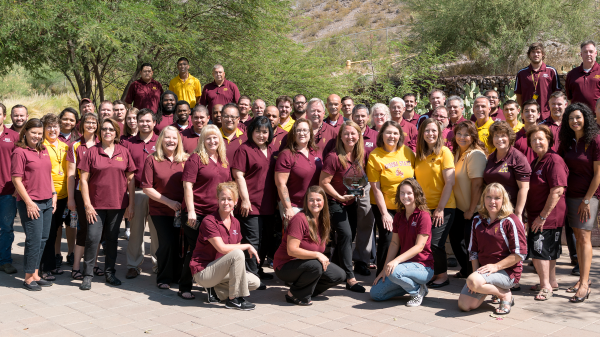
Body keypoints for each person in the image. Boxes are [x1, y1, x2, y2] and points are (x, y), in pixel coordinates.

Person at [78, 118, 136, 290]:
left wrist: (131, 204)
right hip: (96, 205)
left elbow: (131, 180)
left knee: (111, 240)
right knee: (93, 238)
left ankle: (110, 273)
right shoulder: (91, 152)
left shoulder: (124, 152)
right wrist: (87, 205)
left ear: (116, 132)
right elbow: (83, 179)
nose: (107, 132)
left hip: (118, 205)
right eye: (104, 129)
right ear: (99, 132)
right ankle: (87, 275)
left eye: (111, 129)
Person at [457, 183, 527, 315]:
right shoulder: (477, 219)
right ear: (483, 199)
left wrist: (495, 267)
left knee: (473, 281)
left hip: (507, 272)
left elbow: (519, 254)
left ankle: (504, 294)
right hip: (485, 272)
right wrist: (475, 276)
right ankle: (493, 290)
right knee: (464, 305)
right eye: (488, 197)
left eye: (497, 198)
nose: (492, 201)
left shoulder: (511, 220)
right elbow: (473, 252)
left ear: (504, 200)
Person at [190, 182, 260, 309]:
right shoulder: (209, 221)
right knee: (238, 253)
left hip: (221, 270)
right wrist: (247, 246)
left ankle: (216, 291)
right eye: (222, 199)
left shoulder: (236, 222)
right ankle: (234, 299)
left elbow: (235, 248)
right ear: (217, 200)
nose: (226, 202)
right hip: (204, 272)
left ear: (236, 202)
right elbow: (222, 248)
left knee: (255, 282)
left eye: (229, 199)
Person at [181, 125, 231, 300]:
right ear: (202, 140)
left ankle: (211, 287)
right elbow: (188, 186)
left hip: (216, 215)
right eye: (208, 138)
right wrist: (191, 211)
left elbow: (228, 188)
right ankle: (184, 286)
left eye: (215, 137)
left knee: (215, 250)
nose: (212, 141)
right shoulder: (195, 159)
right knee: (195, 250)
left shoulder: (223, 160)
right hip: (198, 213)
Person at [273, 186, 345, 305]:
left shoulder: (323, 220)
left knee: (339, 275)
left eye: (318, 200)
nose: (315, 203)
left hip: (306, 264)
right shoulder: (299, 219)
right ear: (306, 201)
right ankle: (294, 295)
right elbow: (291, 251)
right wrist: (317, 254)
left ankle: (304, 290)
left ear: (324, 202)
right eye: (311, 200)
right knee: (316, 265)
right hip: (285, 266)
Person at [370, 178, 434, 306]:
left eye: (409, 193)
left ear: (416, 193)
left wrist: (395, 261)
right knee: (376, 294)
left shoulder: (424, 216)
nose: (405, 196)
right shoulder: (399, 216)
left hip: (423, 267)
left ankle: (416, 291)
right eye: (402, 193)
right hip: (403, 268)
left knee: (394, 271)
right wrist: (384, 269)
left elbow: (419, 247)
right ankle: (411, 286)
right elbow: (394, 244)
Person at [559, 102, 599, 302]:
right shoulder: (566, 142)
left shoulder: (595, 141)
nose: (575, 121)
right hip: (570, 195)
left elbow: (599, 174)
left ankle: (584, 284)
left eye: (578, 117)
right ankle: (583, 279)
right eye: (571, 118)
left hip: (588, 196)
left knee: (584, 237)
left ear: (586, 118)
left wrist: (586, 200)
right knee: (576, 235)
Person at [320, 121, 366, 293]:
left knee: (349, 236)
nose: (350, 137)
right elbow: (323, 182)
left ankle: (337, 271)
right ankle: (350, 278)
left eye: (353, 133)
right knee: (345, 235)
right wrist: (339, 196)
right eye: (346, 134)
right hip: (335, 202)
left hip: (351, 202)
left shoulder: (360, 155)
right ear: (340, 136)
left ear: (359, 135)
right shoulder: (333, 157)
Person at [12, 119, 57, 290]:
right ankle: (28, 278)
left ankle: (36, 274)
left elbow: (49, 174)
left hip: (46, 201)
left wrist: (53, 194)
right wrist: (29, 203)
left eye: (39, 133)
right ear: (25, 132)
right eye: (34, 133)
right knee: (33, 240)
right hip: (31, 202)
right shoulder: (19, 152)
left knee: (43, 239)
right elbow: (16, 180)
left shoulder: (43, 149)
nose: (37, 136)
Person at [231, 117, 277, 285]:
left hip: (269, 203)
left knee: (266, 239)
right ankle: (251, 276)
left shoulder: (273, 150)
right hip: (250, 204)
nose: (261, 135)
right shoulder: (244, 149)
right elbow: (238, 175)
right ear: (251, 132)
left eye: (265, 132)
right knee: (252, 240)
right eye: (257, 131)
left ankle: (257, 269)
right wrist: (245, 199)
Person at [141, 126, 188, 290]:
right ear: (161, 139)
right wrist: (169, 202)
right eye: (167, 137)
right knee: (166, 242)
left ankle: (177, 275)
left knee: (179, 243)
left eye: (174, 138)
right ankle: (164, 277)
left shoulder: (186, 160)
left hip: (182, 211)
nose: (171, 141)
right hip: (160, 210)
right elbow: (147, 187)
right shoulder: (152, 159)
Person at [367, 121, 415, 274]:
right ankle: (382, 274)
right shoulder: (375, 155)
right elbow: (376, 188)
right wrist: (384, 214)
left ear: (400, 135)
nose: (392, 136)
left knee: (406, 239)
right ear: (382, 135)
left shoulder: (406, 151)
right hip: (385, 206)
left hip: (406, 205)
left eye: (395, 133)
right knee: (388, 239)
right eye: (388, 133)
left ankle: (399, 273)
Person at [526, 124, 568, 301]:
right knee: (547, 250)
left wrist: (542, 216)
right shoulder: (537, 160)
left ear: (549, 140)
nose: (537, 142)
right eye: (534, 139)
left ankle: (545, 286)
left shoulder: (554, 160)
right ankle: (551, 281)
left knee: (539, 250)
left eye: (540, 139)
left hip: (547, 215)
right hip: (538, 213)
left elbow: (557, 190)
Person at [414, 118, 456, 288]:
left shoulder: (444, 152)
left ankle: (443, 276)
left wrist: (440, 208)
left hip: (444, 206)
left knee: (436, 243)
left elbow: (450, 182)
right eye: (426, 131)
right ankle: (433, 272)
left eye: (433, 130)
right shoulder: (419, 155)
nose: (430, 134)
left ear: (439, 133)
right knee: (425, 243)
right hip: (424, 207)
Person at [121, 109, 159, 279]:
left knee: (157, 231)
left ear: (154, 123)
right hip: (135, 192)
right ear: (136, 122)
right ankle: (133, 264)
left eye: (148, 121)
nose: (145, 124)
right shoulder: (128, 143)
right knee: (136, 231)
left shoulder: (161, 141)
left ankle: (158, 264)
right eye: (141, 121)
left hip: (157, 194)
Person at [66, 113, 102, 280]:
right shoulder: (75, 146)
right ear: (82, 125)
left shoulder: (103, 143)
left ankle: (93, 265)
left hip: (100, 194)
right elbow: (71, 175)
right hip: (81, 193)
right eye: (87, 122)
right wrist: (71, 198)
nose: (91, 125)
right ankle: (76, 267)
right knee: (84, 229)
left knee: (96, 231)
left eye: (94, 122)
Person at [450, 121, 486, 279]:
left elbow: (477, 184)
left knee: (468, 244)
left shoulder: (475, 154)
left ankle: (473, 275)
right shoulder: (459, 152)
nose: (462, 137)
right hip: (458, 207)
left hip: (472, 209)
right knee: (456, 240)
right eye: (459, 133)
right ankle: (466, 270)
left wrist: (471, 210)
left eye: (466, 134)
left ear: (473, 137)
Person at [38, 114, 70, 280]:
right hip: (48, 195)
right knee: (48, 233)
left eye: (55, 126)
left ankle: (51, 264)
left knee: (56, 230)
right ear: (43, 129)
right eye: (49, 126)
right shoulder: (40, 146)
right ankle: (45, 268)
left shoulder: (65, 146)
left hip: (64, 194)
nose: (52, 130)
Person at [275, 118, 322, 222]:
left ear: (310, 133)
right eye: (298, 130)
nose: (302, 133)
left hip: (314, 206)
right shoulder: (286, 155)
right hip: (294, 207)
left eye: (305, 130)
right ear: (293, 133)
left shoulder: (317, 152)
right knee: (294, 237)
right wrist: (288, 208)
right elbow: (281, 184)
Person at [484, 121, 531, 223]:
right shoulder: (491, 157)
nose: (499, 139)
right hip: (491, 210)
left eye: (503, 135)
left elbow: (524, 188)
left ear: (509, 137)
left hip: (510, 211)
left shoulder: (518, 157)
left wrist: (518, 213)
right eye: (496, 136)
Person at [351, 105, 377, 276]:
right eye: (357, 116)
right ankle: (342, 259)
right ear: (351, 116)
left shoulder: (375, 136)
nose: (360, 119)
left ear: (368, 117)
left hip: (366, 184)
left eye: (363, 116)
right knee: (346, 222)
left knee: (366, 221)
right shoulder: (346, 132)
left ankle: (362, 260)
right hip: (347, 183)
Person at [515, 43, 562, 121]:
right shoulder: (522, 73)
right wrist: (526, 109)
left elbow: (557, 94)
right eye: (533, 52)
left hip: (547, 115)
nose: (536, 54)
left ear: (543, 54)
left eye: (538, 52)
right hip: (529, 116)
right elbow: (519, 96)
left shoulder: (551, 71)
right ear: (529, 55)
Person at [0, 103, 19, 274]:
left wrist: (17, 189)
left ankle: (5, 261)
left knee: (6, 228)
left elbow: (20, 164)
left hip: (8, 193)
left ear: (4, 116)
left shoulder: (13, 136)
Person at [566, 41, 600, 111]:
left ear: (595, 53)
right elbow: (570, 98)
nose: (588, 54)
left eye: (591, 51)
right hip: (578, 117)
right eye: (585, 52)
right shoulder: (572, 74)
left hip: (597, 118)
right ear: (581, 54)